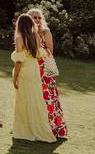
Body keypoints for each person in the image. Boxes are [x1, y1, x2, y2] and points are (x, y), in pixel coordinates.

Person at [11, 13, 56, 143]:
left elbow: (19, 61)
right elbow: (39, 54)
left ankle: (25, 130)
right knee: (36, 100)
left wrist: (15, 76)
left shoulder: (19, 37)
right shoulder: (36, 36)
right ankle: (38, 128)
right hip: (35, 70)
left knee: (23, 100)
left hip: (25, 71)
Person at [28, 7, 68, 138]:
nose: (38, 20)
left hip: (44, 69)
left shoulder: (46, 32)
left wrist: (39, 51)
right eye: (35, 17)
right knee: (33, 96)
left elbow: (50, 51)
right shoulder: (27, 32)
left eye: (39, 17)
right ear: (29, 18)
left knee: (47, 97)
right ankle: (33, 126)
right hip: (31, 68)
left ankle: (52, 127)